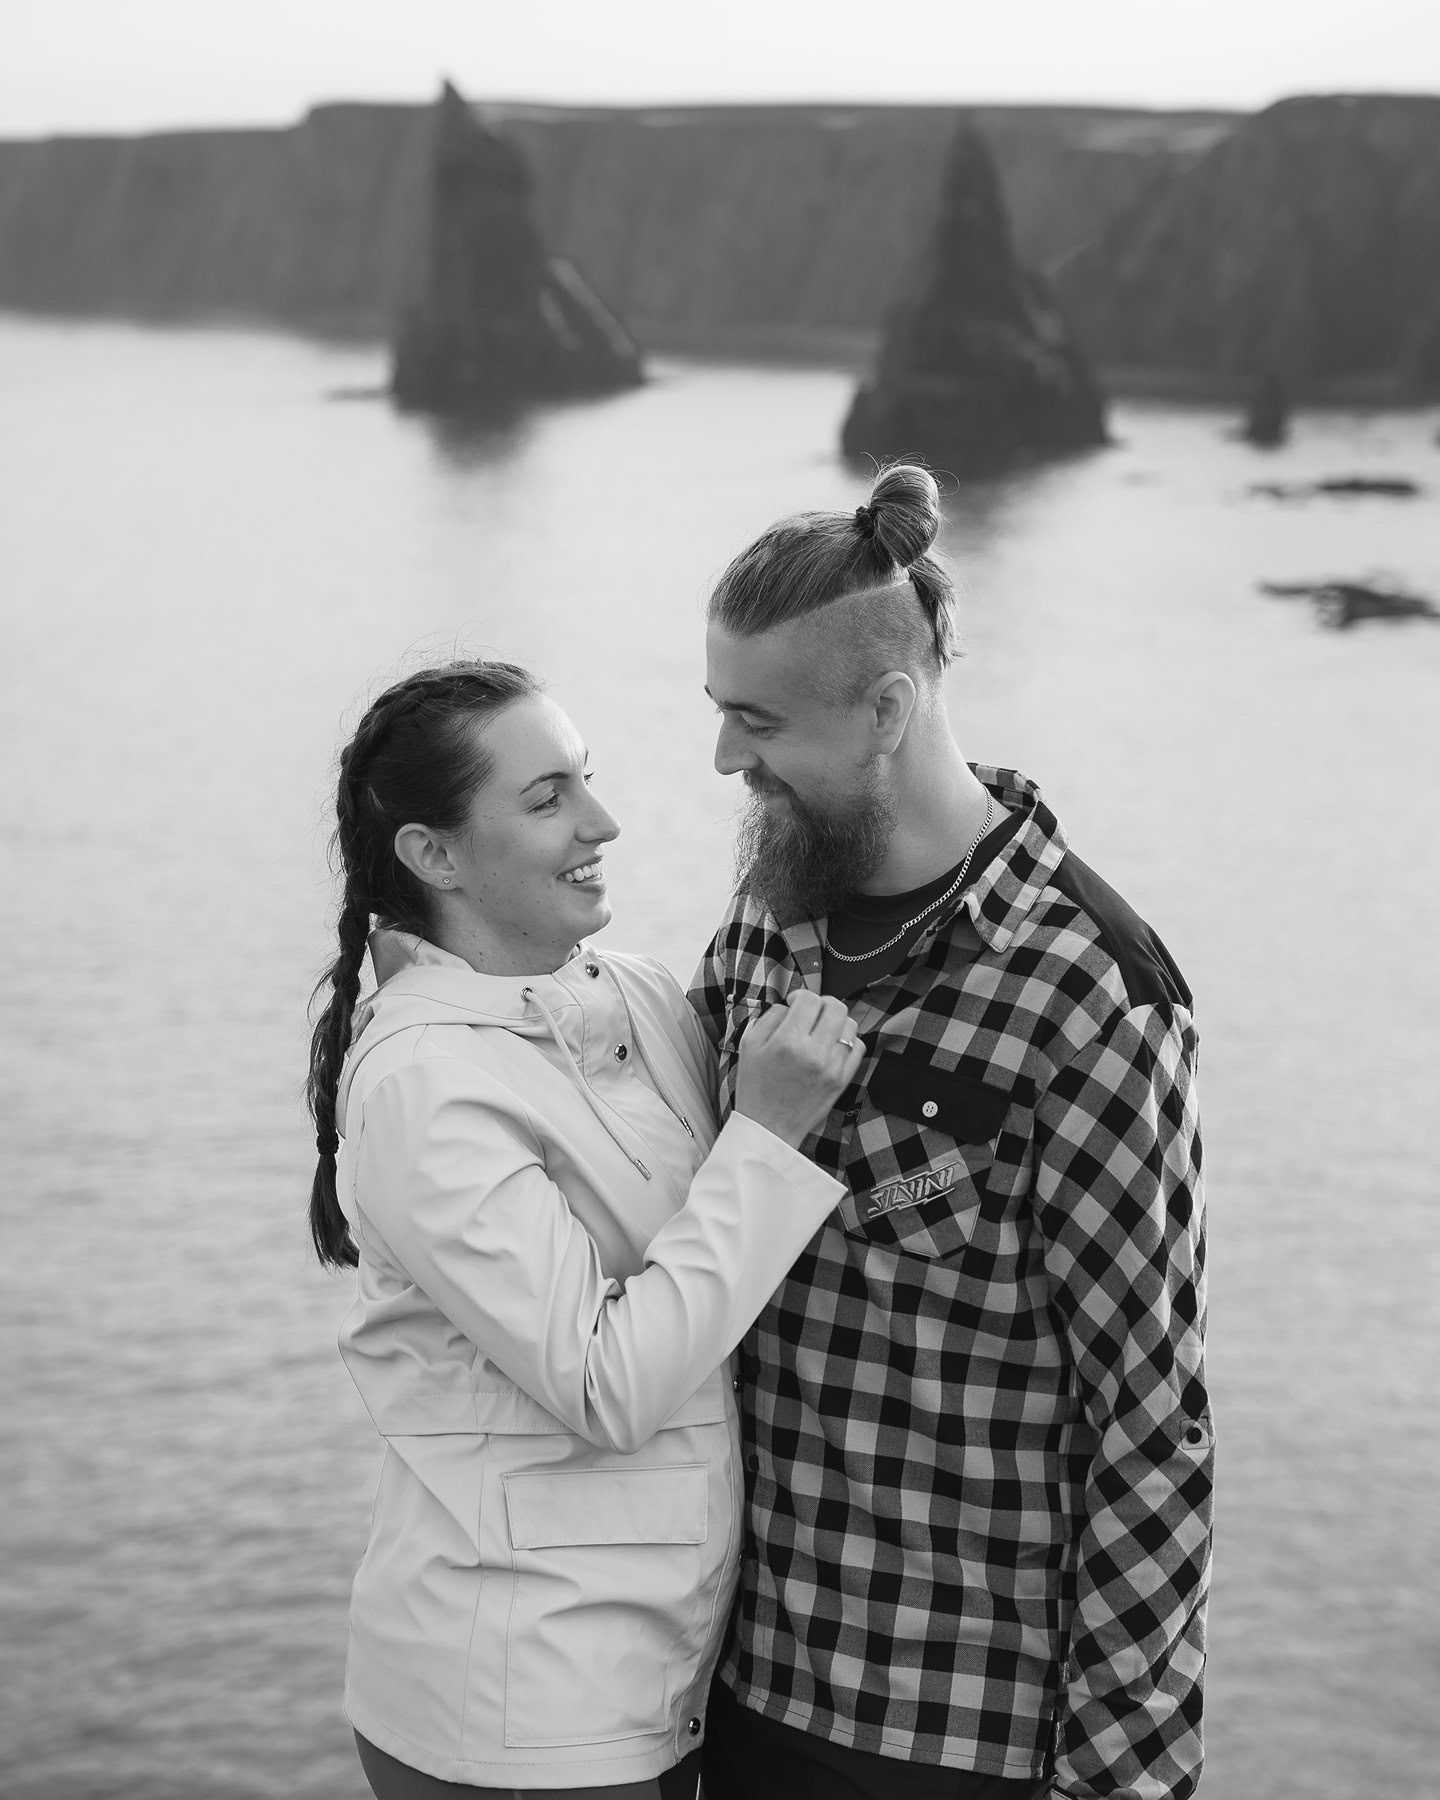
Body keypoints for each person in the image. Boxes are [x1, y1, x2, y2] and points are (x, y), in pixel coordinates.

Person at [691, 465, 1214, 1800]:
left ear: (886, 709)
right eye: (719, 713)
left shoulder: (1093, 993)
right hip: (727, 1693)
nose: (726, 761)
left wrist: (1118, 1783)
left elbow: (1149, 1420)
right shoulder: (763, 920)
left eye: (757, 722)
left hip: (953, 1738)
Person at [304, 660, 865, 1799]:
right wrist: (767, 1138)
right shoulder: (425, 1086)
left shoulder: (642, 995)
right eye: (547, 797)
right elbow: (606, 1383)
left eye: (586, 781)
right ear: (435, 855)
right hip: (517, 1701)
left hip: (660, 1674)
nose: (601, 823)